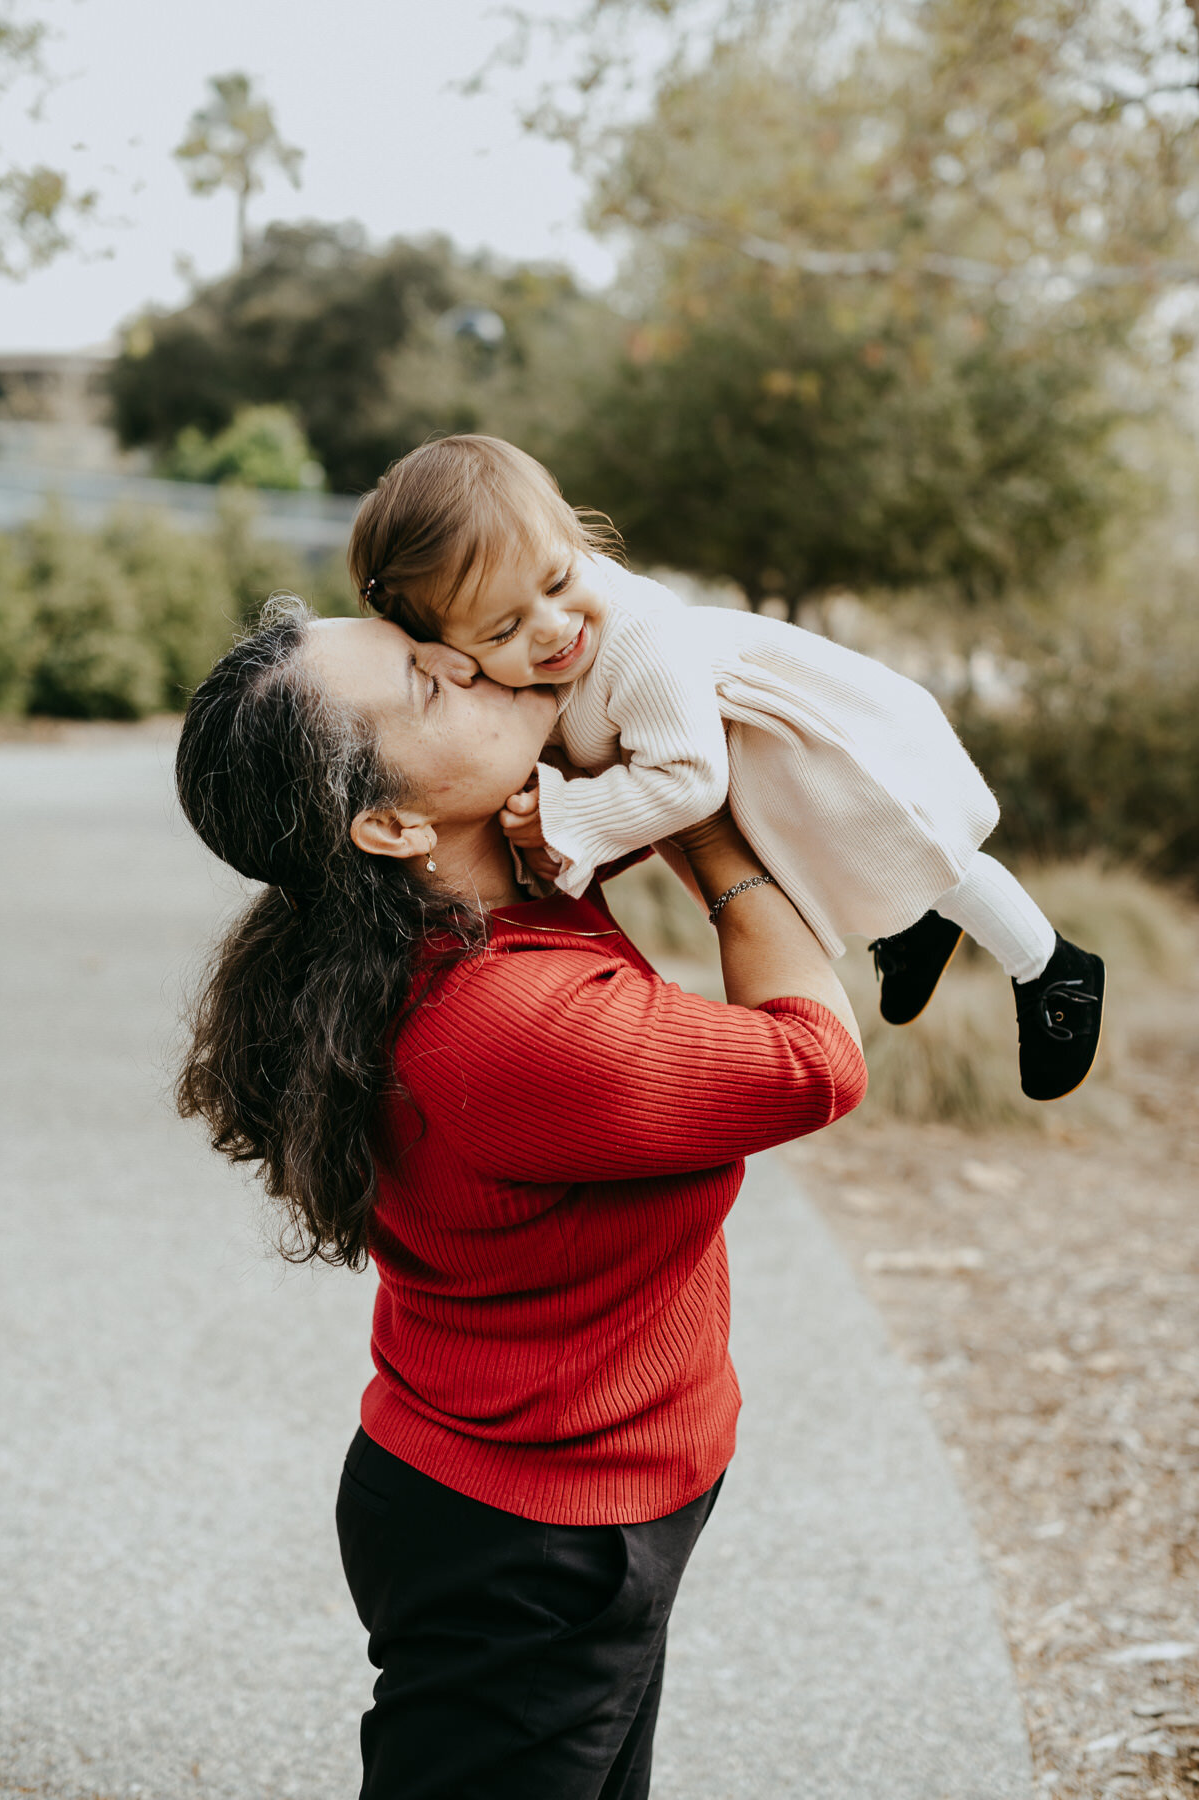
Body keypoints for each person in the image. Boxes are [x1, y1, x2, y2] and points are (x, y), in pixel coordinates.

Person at [173, 594, 868, 1800]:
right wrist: (707, 828)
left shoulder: (482, 897)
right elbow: (816, 1061)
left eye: (425, 637)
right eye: (431, 685)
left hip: (553, 1497)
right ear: (389, 822)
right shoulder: (509, 1025)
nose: (468, 659)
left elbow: (609, 707)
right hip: (531, 1549)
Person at [349, 434, 1105, 1104]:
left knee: (932, 854)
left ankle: (1051, 967)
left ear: (575, 538)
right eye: (505, 627)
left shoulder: (637, 637)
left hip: (805, 747)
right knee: (843, 865)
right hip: (760, 774)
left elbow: (689, 782)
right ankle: (912, 927)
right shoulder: (530, 656)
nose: (553, 628)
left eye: (556, 580)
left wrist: (570, 814)